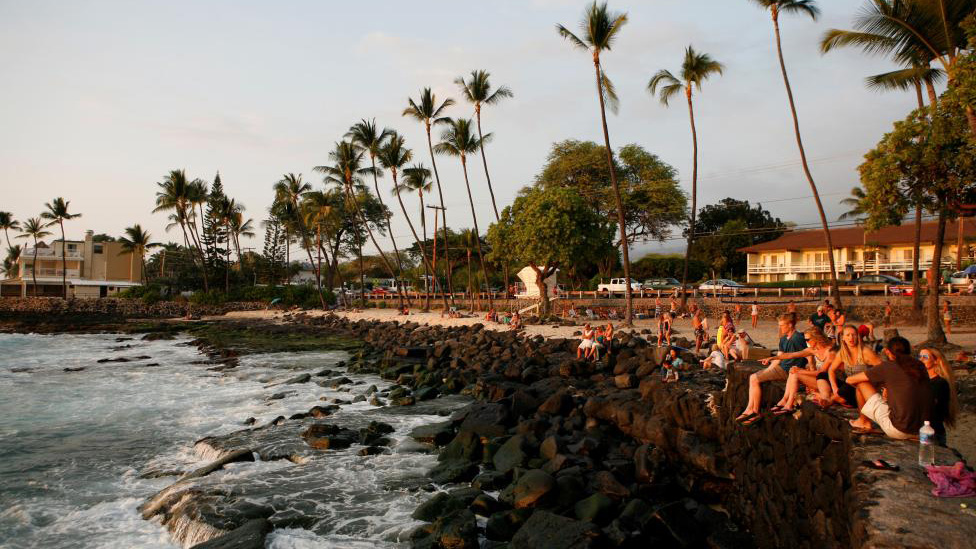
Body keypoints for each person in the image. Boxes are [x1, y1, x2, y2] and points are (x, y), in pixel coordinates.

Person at [846, 336, 933, 440]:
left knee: (862, 384)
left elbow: (850, 380)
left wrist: (879, 384)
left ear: (888, 352)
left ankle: (863, 422)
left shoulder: (888, 366)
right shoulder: (919, 365)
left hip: (899, 430)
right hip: (923, 430)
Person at [735, 314, 807, 426]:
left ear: (790, 324)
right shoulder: (783, 339)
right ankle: (750, 409)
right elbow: (778, 358)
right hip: (781, 367)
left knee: (754, 378)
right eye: (779, 325)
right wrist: (767, 370)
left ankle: (754, 411)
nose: (780, 328)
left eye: (782, 325)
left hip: (789, 371)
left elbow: (807, 356)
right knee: (754, 377)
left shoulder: (798, 338)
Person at [769, 328, 836, 414]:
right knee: (793, 371)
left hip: (830, 383)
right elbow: (792, 355)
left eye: (807, 339)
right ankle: (785, 401)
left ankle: (788, 405)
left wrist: (800, 371)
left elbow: (822, 372)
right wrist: (772, 358)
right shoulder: (813, 350)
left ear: (816, 337)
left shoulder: (830, 351)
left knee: (796, 372)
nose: (806, 342)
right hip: (820, 381)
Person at [919, 348, 958, 446]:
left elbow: (930, 405)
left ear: (936, 361)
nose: (921, 360)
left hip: (933, 431)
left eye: (925, 357)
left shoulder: (939, 383)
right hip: (922, 430)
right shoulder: (921, 381)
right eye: (919, 356)